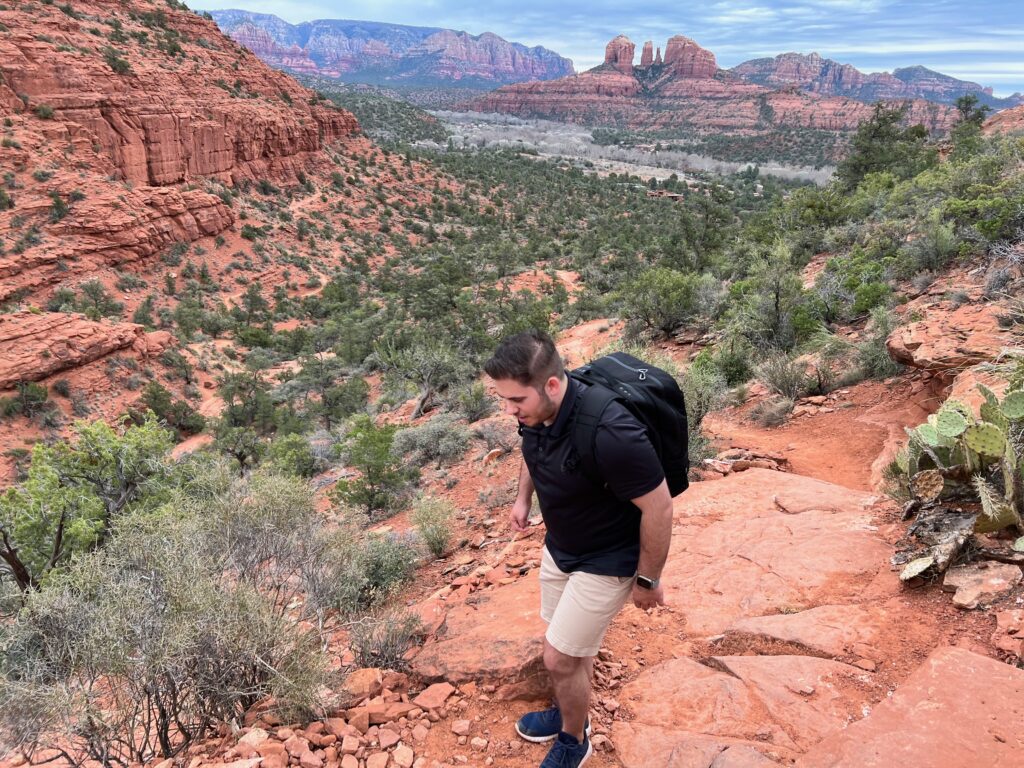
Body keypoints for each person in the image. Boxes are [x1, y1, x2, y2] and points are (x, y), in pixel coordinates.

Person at [484, 330, 674, 768]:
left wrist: (648, 580)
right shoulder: (537, 414)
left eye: (516, 400)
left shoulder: (611, 430)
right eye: (504, 399)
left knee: (559, 656)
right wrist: (522, 499)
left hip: (607, 558)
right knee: (567, 649)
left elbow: (659, 507)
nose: (509, 410)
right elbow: (531, 449)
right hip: (562, 545)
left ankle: (574, 738)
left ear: (551, 385)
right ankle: (572, 708)